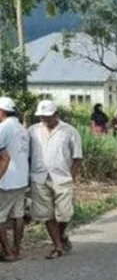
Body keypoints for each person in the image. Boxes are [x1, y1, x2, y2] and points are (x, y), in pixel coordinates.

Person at [29, 100, 82, 259]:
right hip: (39, 177)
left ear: (56, 114)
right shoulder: (32, 131)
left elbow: (77, 157)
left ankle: (61, 236)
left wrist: (72, 177)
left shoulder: (69, 131)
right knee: (46, 214)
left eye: (47, 116)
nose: (44, 120)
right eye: (41, 117)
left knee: (65, 214)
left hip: (62, 177)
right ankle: (57, 246)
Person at [0, 97, 21, 261]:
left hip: (6, 181)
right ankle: (17, 249)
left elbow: (4, 158)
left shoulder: (3, 128)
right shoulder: (22, 128)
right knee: (17, 216)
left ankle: (8, 252)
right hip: (21, 180)